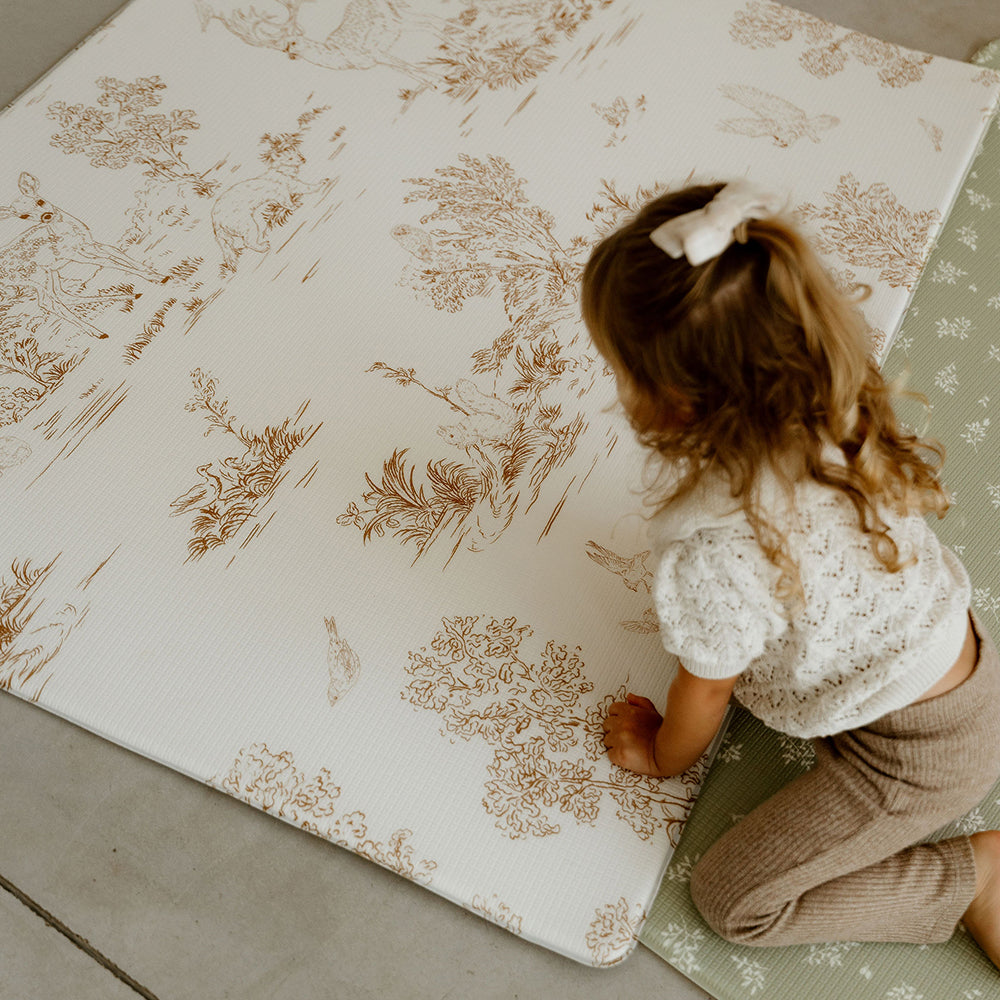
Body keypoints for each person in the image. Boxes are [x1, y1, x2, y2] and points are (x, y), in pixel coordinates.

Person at [583, 180, 1000, 964]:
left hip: (917, 760)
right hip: (956, 660)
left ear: (671, 403)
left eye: (621, 371)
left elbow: (706, 688)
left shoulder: (712, 548)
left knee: (735, 903)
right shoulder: (835, 394)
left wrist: (665, 756)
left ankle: (975, 876)